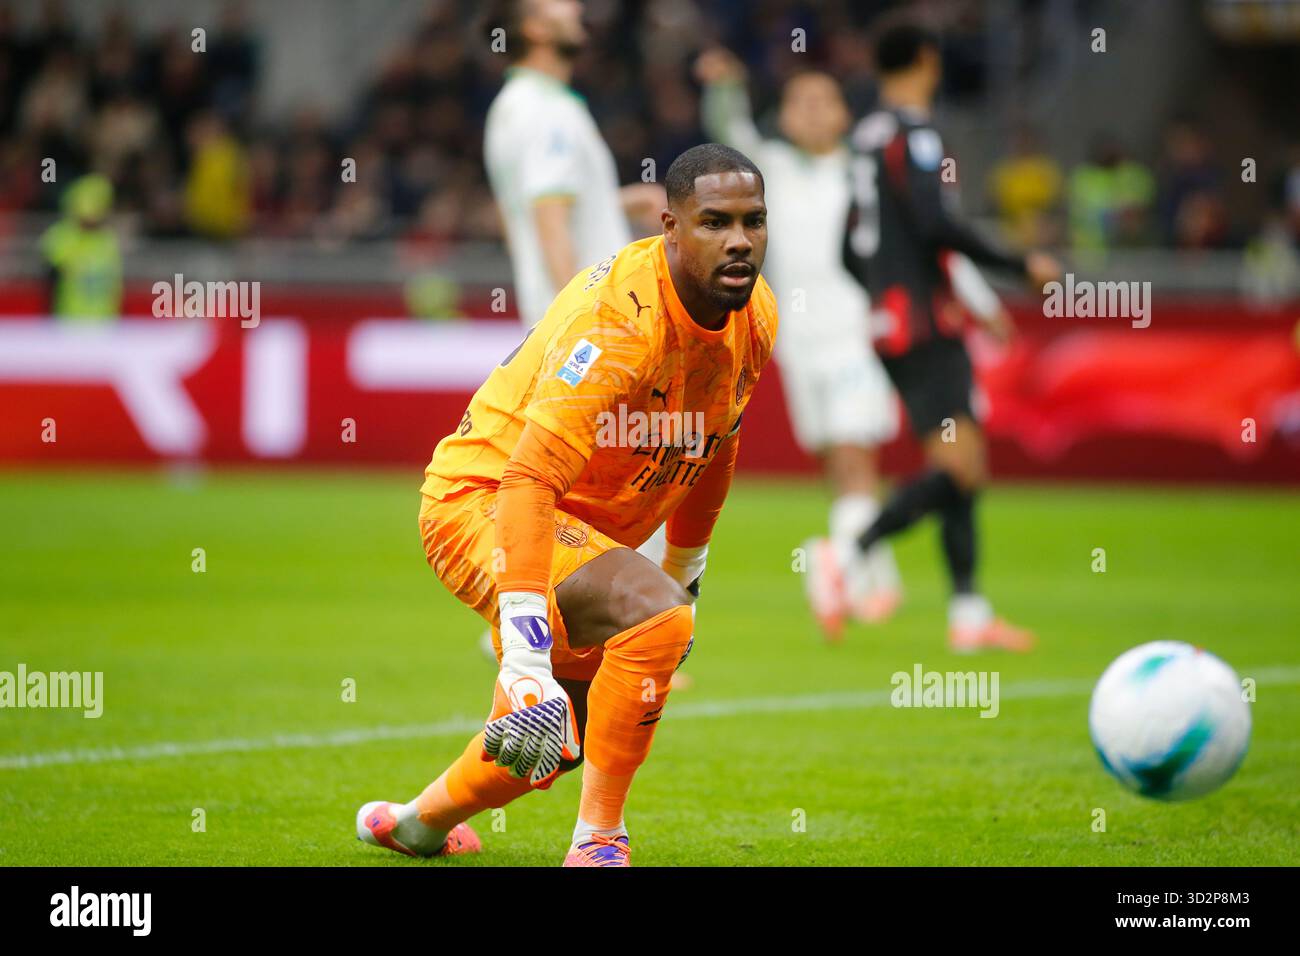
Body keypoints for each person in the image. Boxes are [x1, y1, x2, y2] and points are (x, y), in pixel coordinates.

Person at [356, 144, 776, 866]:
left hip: (579, 528)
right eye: (715, 222)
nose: (739, 240)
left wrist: (687, 570)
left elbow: (715, 446)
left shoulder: (755, 315)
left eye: (753, 221)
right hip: (485, 501)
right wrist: (524, 647)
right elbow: (527, 479)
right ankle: (599, 840)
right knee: (655, 618)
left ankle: (416, 823)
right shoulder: (618, 325)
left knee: (549, 743)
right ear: (670, 227)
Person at [842, 21, 1061, 652]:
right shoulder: (913, 134)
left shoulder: (866, 136)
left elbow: (848, 246)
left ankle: (969, 615)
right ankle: (850, 551)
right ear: (927, 61)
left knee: (963, 467)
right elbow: (936, 225)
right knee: (961, 466)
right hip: (926, 323)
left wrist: (885, 295)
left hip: (894, 323)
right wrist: (1019, 265)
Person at [696, 48, 901, 638]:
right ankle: (860, 571)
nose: (811, 113)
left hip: (859, 333)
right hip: (798, 341)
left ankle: (845, 567)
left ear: (843, 114)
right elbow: (728, 132)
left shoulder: (864, 170)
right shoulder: (774, 170)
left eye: (823, 102)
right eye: (799, 103)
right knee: (840, 463)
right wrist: (727, 86)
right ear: (783, 118)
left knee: (859, 454)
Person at [40, 173, 122, 321]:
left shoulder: (107, 240)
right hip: (68, 320)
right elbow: (48, 279)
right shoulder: (61, 236)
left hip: (104, 322)